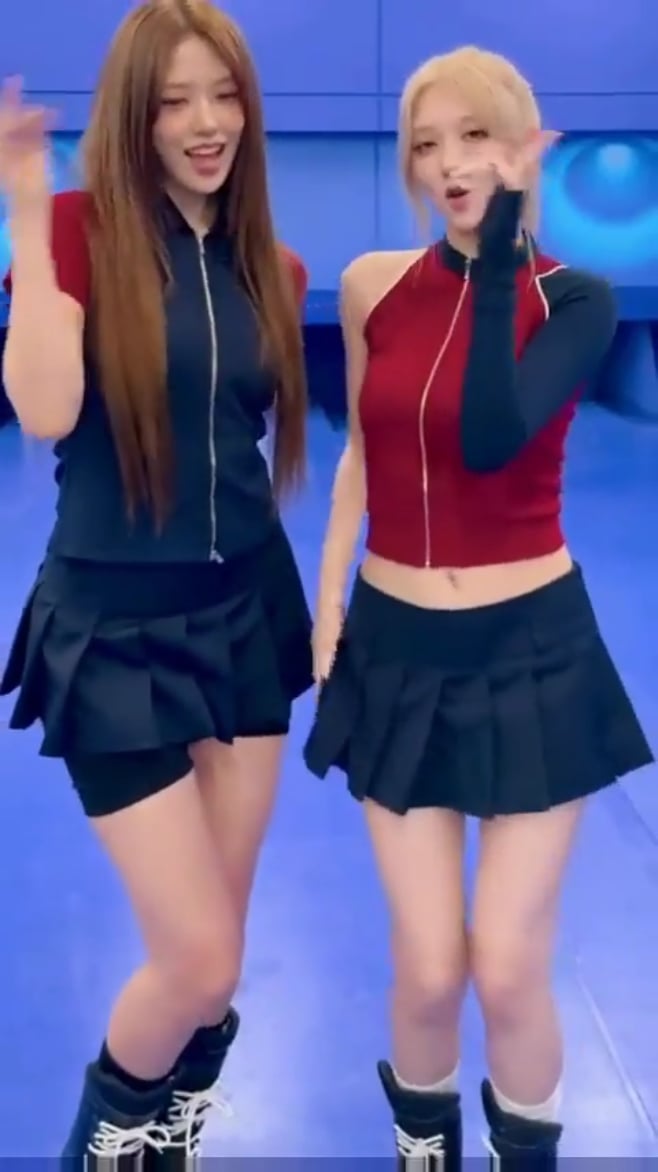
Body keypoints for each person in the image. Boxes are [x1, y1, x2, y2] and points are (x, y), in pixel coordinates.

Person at [304, 45, 654, 1169]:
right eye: (426, 145)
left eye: (474, 138)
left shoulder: (575, 300)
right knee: (426, 967)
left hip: (533, 650)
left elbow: (495, 435)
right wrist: (327, 601)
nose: (449, 164)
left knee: (505, 964)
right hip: (395, 646)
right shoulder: (373, 285)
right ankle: (424, 1149)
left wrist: (501, 256)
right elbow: (363, 452)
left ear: (522, 150)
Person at [0, 0, 313, 1164]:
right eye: (175, 101)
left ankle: (166, 1139)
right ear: (134, 116)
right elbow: (45, 410)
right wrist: (25, 215)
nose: (205, 122)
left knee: (215, 958)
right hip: (111, 629)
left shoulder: (272, 265)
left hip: (245, 614)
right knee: (197, 956)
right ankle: (101, 1147)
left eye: (224, 96)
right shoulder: (75, 231)